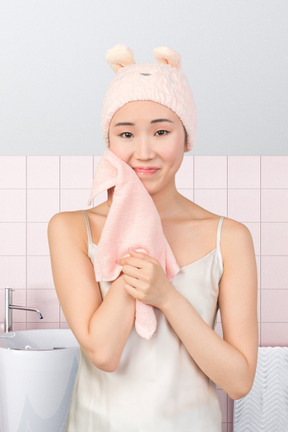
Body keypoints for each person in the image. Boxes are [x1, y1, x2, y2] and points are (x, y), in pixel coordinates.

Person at [48, 44, 258, 431]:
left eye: (161, 131)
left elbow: (239, 381)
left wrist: (166, 297)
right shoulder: (70, 229)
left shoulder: (229, 238)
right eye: (126, 133)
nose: (143, 152)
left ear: (186, 137)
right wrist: (134, 228)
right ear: (109, 142)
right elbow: (104, 353)